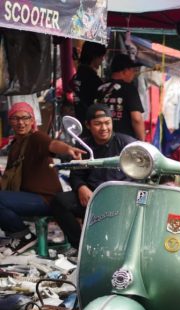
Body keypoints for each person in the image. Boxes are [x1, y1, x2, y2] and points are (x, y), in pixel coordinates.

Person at [0, 102, 85, 254]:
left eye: (25, 118)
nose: (21, 123)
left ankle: (23, 236)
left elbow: (52, 145)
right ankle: (17, 236)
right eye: (15, 118)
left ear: (32, 120)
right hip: (27, 197)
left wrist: (68, 149)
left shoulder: (36, 138)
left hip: (46, 199)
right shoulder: (14, 145)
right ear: (10, 121)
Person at [50, 104, 133, 250]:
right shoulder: (83, 145)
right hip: (92, 198)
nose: (104, 128)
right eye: (98, 124)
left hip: (121, 198)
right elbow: (76, 174)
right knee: (59, 201)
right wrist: (81, 187)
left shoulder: (128, 144)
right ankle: (81, 246)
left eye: (107, 123)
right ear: (88, 125)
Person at [96, 53, 145, 141]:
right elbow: (136, 119)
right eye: (132, 70)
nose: (134, 74)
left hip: (102, 139)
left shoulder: (100, 88)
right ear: (125, 71)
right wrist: (142, 141)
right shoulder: (129, 89)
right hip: (125, 140)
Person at [70, 42, 107, 124]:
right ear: (94, 57)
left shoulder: (78, 74)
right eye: (101, 57)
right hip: (90, 121)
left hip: (78, 118)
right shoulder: (92, 78)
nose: (102, 60)